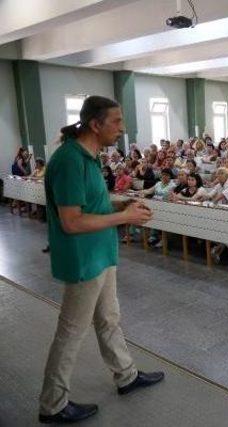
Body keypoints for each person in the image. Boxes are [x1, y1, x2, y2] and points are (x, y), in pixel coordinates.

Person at [39, 96, 163, 424]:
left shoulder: (90, 157)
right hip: (84, 259)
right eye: (117, 122)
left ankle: (126, 375)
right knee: (72, 330)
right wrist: (123, 219)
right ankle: (52, 404)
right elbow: (72, 221)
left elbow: (92, 206)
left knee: (109, 317)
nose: (123, 129)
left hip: (101, 253)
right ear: (96, 124)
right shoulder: (70, 160)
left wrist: (122, 207)